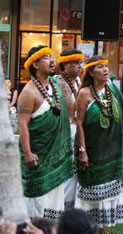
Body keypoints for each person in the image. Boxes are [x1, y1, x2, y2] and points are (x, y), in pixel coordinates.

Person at [17, 45, 73, 220]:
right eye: (47, 57)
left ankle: (51, 228)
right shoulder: (29, 92)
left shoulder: (56, 85)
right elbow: (22, 125)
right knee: (38, 198)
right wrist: (27, 153)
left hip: (56, 153)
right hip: (38, 154)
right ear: (35, 64)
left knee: (55, 196)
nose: (52, 60)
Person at [75, 56, 123, 229]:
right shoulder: (84, 93)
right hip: (94, 148)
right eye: (100, 67)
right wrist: (82, 150)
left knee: (109, 190)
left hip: (112, 148)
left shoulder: (111, 88)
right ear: (91, 73)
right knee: (93, 189)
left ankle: (101, 228)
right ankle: (89, 227)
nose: (106, 70)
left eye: (106, 66)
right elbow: (79, 123)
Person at [56, 49, 84, 210]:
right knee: (67, 173)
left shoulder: (79, 82)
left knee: (76, 174)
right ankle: (63, 212)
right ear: (65, 65)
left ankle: (72, 211)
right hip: (65, 132)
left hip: (77, 131)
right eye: (75, 63)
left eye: (80, 63)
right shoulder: (59, 82)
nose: (79, 66)